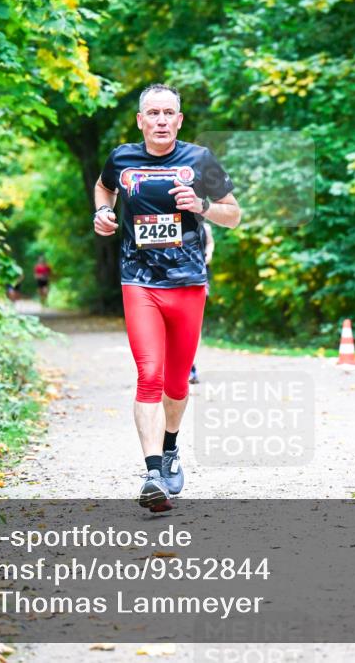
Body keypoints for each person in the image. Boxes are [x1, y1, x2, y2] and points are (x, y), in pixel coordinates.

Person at [92, 84, 240, 511]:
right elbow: (105, 189)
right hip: (138, 281)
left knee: (176, 383)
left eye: (168, 113)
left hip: (188, 283)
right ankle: (153, 473)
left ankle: (171, 448)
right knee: (149, 374)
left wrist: (203, 206)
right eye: (152, 113)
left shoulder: (199, 160)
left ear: (179, 120)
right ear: (140, 120)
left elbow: (234, 214)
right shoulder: (122, 158)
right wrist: (102, 213)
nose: (160, 120)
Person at [189, 222, 214, 385]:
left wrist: (208, 254)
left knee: (192, 327)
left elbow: (210, 243)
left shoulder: (206, 227)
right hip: (175, 279)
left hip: (199, 279)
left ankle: (191, 366)